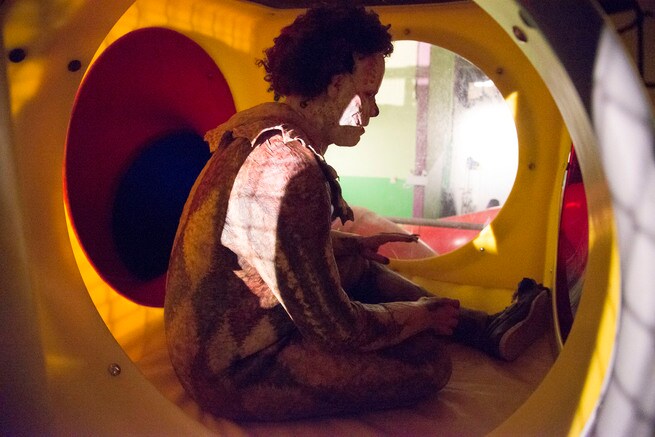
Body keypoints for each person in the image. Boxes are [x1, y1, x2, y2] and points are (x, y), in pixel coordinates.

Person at [164, 4, 550, 421]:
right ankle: (463, 323)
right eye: (368, 94)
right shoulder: (291, 169)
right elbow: (339, 329)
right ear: (336, 85)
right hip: (233, 370)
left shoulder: (258, 134)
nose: (375, 109)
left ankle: (483, 328)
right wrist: (417, 317)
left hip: (208, 347)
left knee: (353, 265)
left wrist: (349, 244)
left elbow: (260, 246)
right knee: (429, 361)